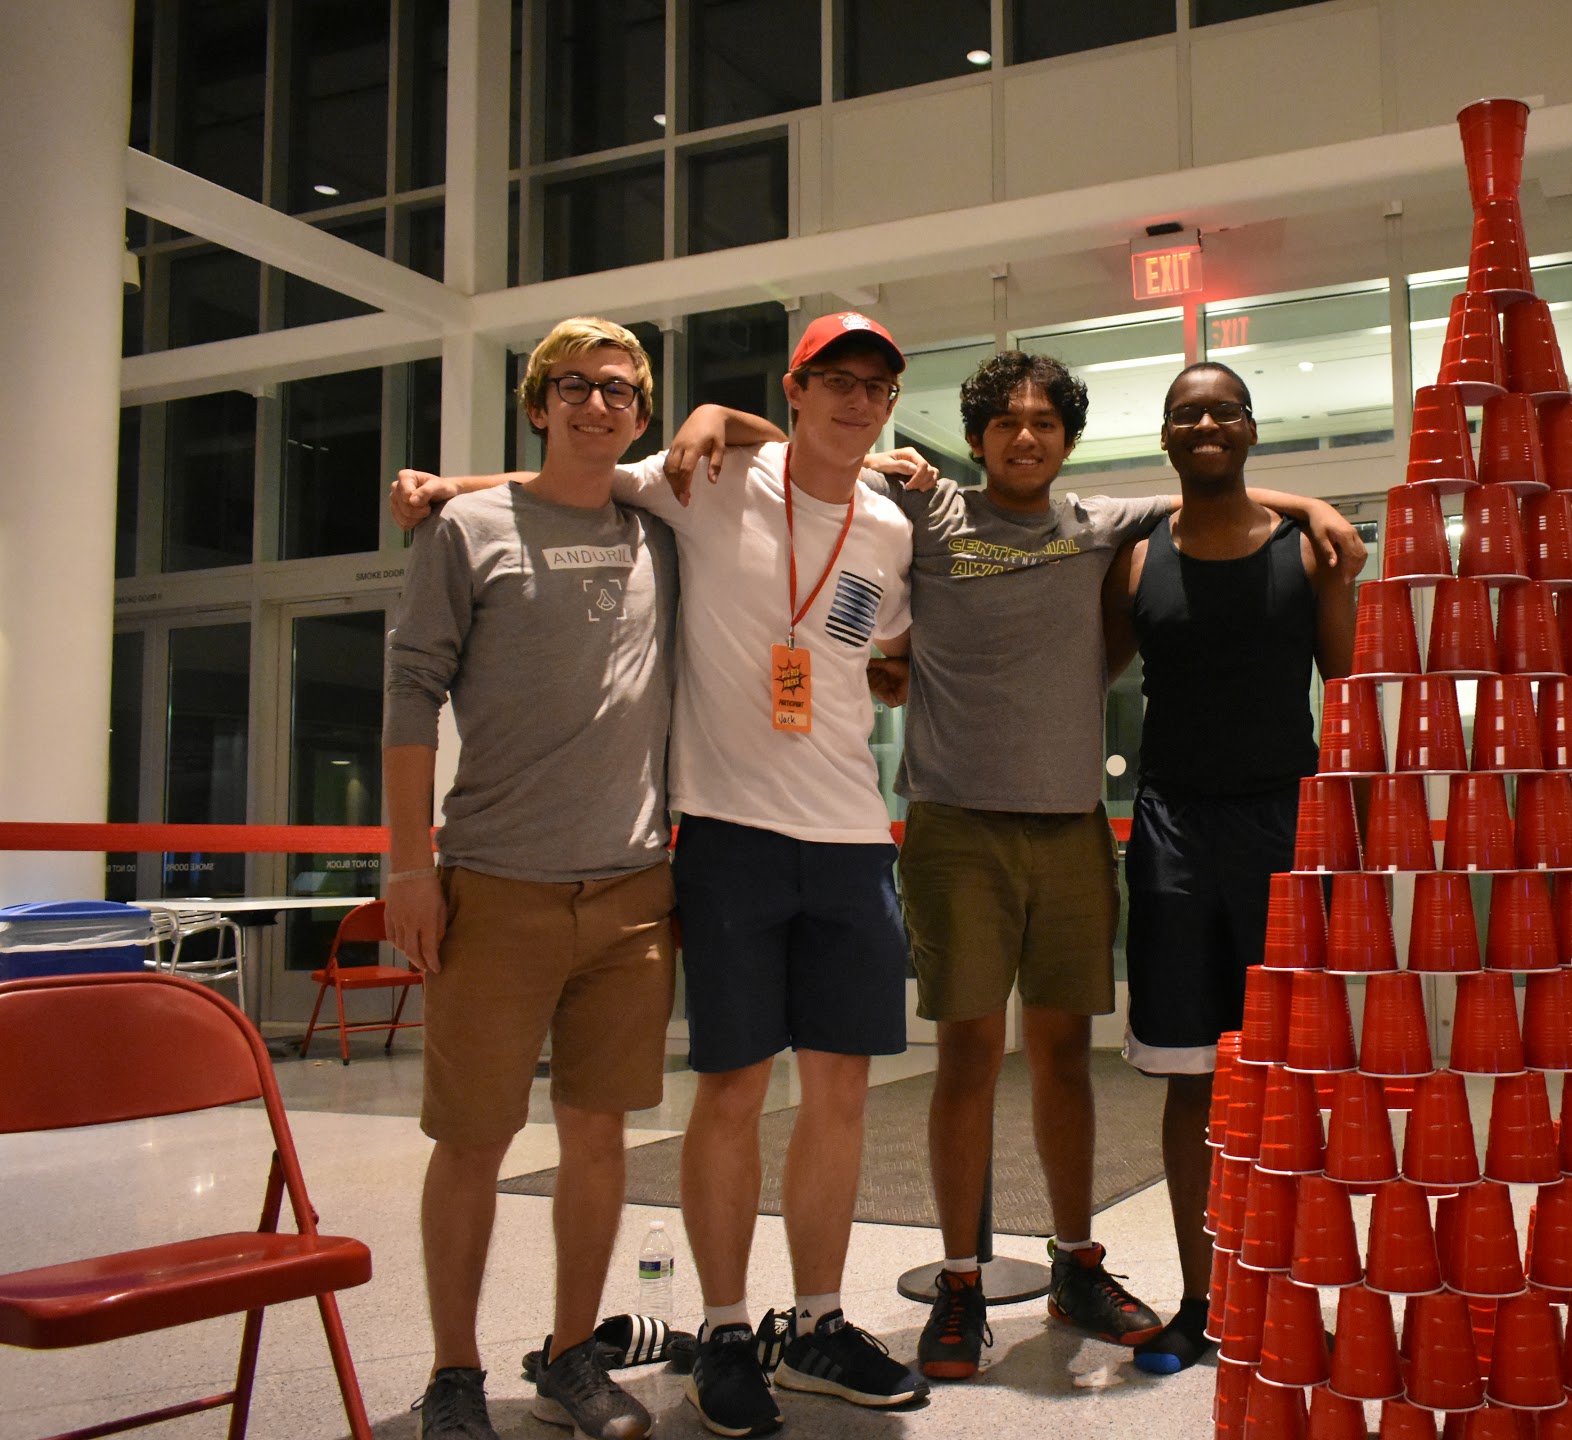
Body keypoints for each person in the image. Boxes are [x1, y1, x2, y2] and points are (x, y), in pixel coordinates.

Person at [662, 350, 1362, 1384]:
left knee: (1066, 1053)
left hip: (1072, 828)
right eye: (1005, 424)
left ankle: (1077, 1260)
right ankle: (959, 1275)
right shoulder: (924, 507)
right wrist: (720, 411)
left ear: (1067, 439)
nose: (1025, 439)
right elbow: (818, 441)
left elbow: (1205, 481)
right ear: (978, 435)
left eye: (1044, 424)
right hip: (954, 831)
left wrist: (1304, 502)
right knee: (968, 1057)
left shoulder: (1097, 524)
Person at [393, 312, 927, 1439]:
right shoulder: (707, 479)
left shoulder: (889, 526)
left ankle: (815, 1322)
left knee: (832, 1097)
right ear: (792, 388)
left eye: (875, 386)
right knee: (720, 1094)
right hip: (712, 837)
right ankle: (721, 1331)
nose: (854, 398)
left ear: (891, 405)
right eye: (833, 378)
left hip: (828, 843)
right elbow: (573, 474)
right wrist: (450, 488)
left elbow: (882, 652)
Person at [385, 316, 680, 1440]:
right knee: (473, 1140)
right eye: (574, 386)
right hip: (495, 887)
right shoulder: (466, 529)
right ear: (540, 400)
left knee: (600, 1136)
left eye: (619, 390)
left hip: (631, 896)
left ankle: (569, 1357)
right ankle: (454, 1374)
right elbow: (411, 691)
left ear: (641, 415)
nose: (597, 405)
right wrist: (409, 864)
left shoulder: (660, 529)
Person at [1101, 361, 1358, 1372]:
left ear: (1251, 429)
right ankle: (1201, 1301)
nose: (1205, 425)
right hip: (1169, 833)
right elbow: (1079, 673)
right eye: (1185, 414)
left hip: (1285, 834)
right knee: (1187, 1081)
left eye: (1223, 411)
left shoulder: (1312, 551)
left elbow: (1353, 693)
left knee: (1295, 1081)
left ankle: (1291, 1289)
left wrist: (1362, 845)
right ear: (1165, 438)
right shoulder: (1131, 559)